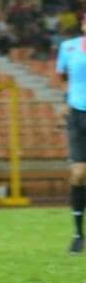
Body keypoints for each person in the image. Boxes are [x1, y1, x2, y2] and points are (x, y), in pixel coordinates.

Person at [55, 17, 86, 254]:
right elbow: (63, 76)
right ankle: (78, 234)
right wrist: (65, 101)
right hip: (77, 114)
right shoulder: (68, 47)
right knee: (78, 173)